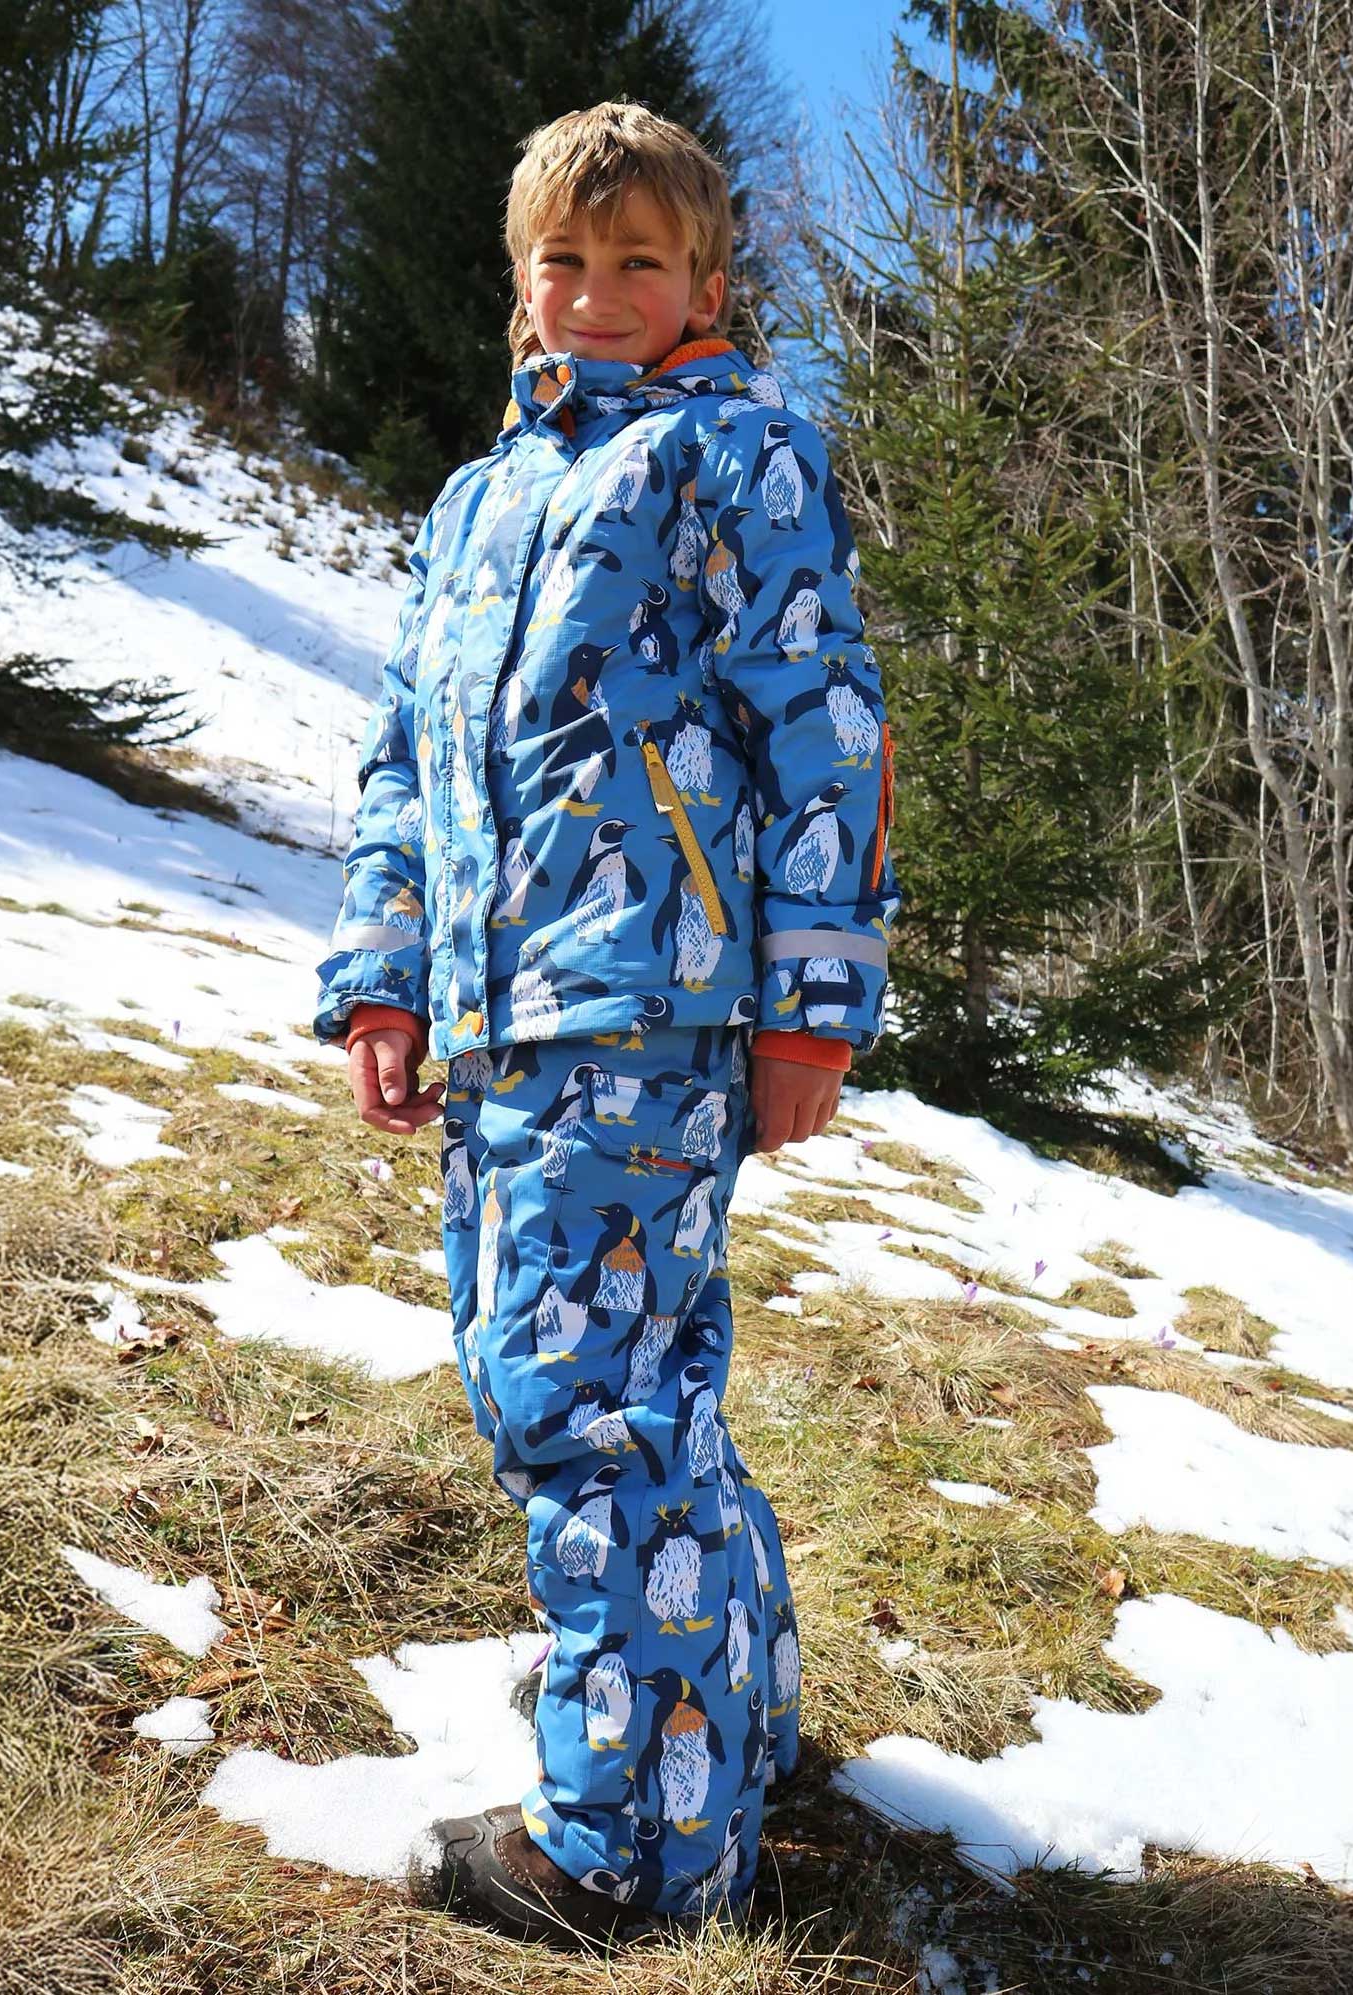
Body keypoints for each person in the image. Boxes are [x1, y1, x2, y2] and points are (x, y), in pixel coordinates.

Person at [314, 101, 900, 1948]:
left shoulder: (738, 458)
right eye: (564, 261)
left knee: (577, 1405)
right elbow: (410, 755)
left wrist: (811, 1007)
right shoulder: (483, 501)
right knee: (644, 1398)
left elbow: (825, 738)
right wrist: (387, 973)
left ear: (704, 278)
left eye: (637, 260)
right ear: (519, 281)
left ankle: (617, 1852)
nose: (595, 293)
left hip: (645, 1009)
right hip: (502, 1015)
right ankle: (724, 1735)